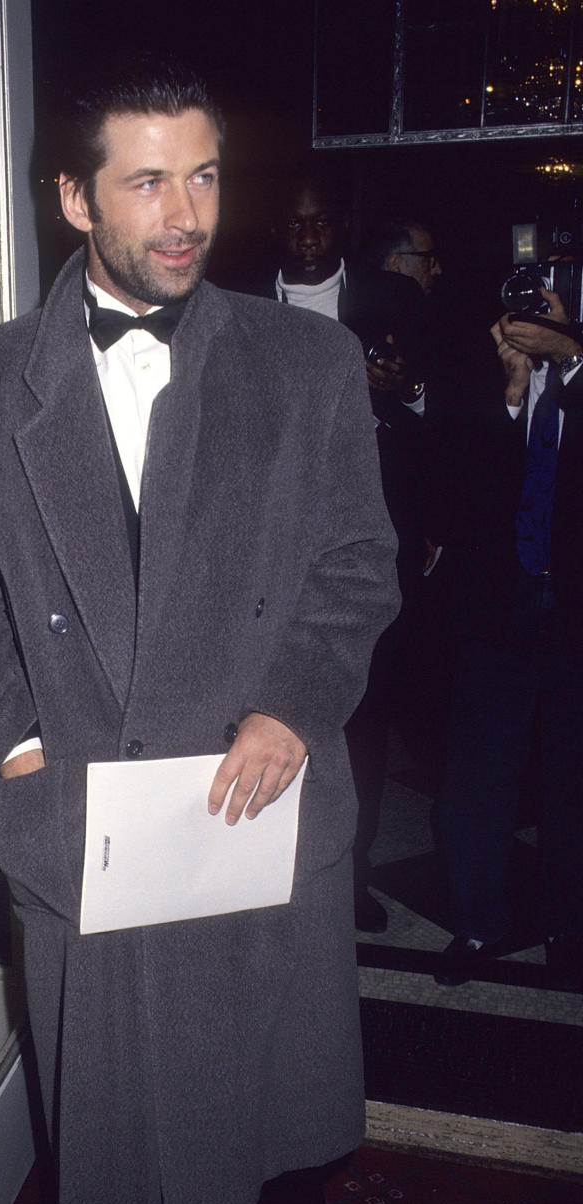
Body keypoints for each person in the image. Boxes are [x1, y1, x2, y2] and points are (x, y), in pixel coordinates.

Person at [0, 56, 398, 1204]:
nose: (185, 213)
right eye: (146, 180)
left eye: (204, 175)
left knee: (275, 1068)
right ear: (75, 198)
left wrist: (294, 702)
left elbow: (359, 563)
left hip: (259, 791)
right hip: (90, 803)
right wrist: (15, 747)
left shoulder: (308, 360)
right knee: (111, 1094)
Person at [270, 179, 430, 935]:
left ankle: (352, 874)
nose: (307, 236)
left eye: (321, 221)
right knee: (266, 712)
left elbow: (447, 414)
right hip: (263, 557)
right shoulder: (231, 305)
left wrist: (408, 390)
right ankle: (272, 877)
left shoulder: (392, 303)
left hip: (359, 549)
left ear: (341, 226)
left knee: (360, 722)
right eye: (296, 223)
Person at [436, 284, 583, 988]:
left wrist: (575, 360)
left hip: (574, 598)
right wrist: (513, 392)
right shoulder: (487, 369)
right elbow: (460, 488)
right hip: (502, 595)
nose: (537, 311)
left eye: (555, 298)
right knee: (477, 771)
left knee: (572, 774)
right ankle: (476, 921)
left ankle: (569, 924)